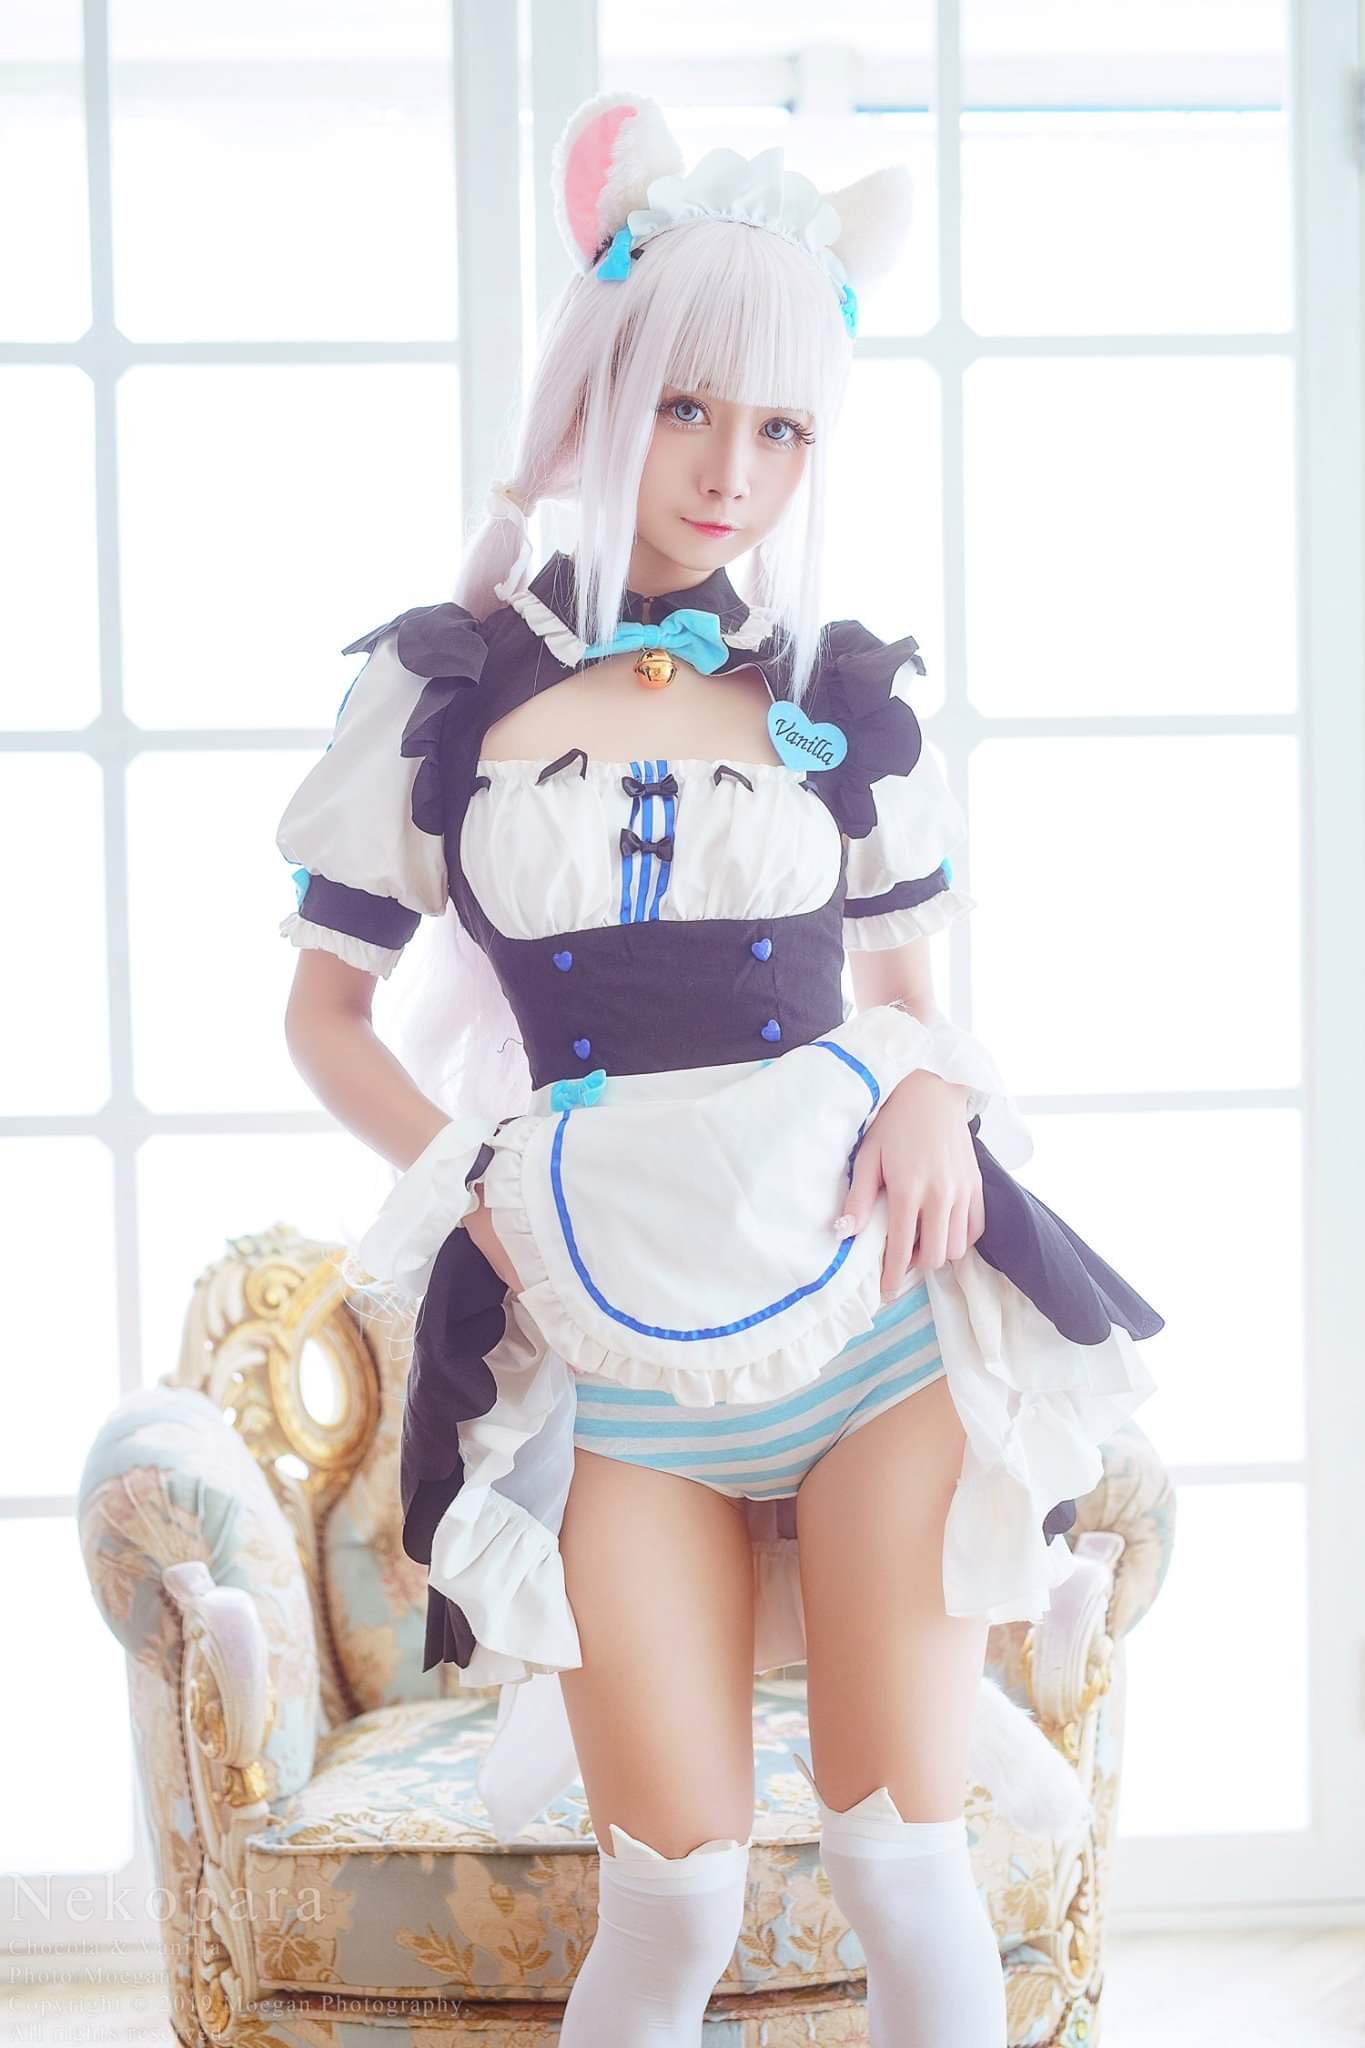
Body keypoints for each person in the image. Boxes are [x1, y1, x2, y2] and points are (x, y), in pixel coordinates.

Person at [277, 89, 1163, 2048]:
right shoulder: (446, 693)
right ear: (600, 387)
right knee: (669, 1897)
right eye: (687, 406)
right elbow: (324, 1020)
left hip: (869, 1320)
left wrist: (930, 1091)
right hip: (609, 1348)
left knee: (898, 1863)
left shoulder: (832, 695)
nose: (727, 470)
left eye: (779, 430)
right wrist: (473, 1181)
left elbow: (909, 1002)